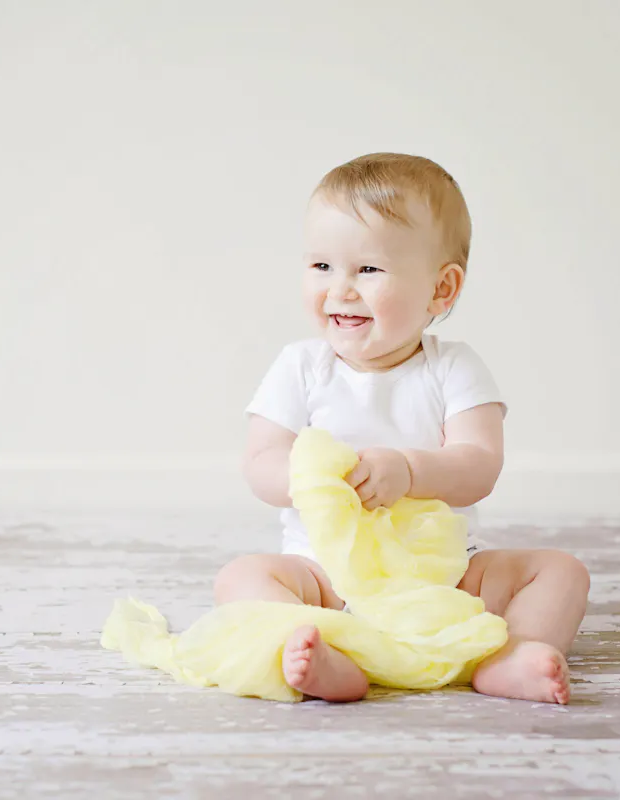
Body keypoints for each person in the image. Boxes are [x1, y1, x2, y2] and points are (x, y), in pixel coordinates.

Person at [215, 153, 590, 704]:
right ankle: (327, 652)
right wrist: (316, 481)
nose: (339, 289)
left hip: (443, 578)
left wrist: (410, 470)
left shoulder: (453, 367)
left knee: (562, 571)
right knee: (241, 577)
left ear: (442, 289)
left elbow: (479, 465)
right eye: (321, 266)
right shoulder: (300, 366)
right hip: (324, 576)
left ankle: (513, 655)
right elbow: (261, 461)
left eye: (367, 269)